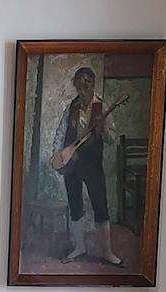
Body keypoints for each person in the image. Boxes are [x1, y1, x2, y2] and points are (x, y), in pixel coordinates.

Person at [55, 66, 122, 266]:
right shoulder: (72, 107)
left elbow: (112, 139)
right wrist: (58, 155)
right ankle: (80, 247)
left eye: (85, 88)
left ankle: (107, 252)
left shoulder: (102, 107)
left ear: (92, 85)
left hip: (92, 163)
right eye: (79, 89)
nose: (82, 93)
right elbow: (61, 132)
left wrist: (103, 131)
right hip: (72, 162)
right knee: (75, 204)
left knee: (100, 205)